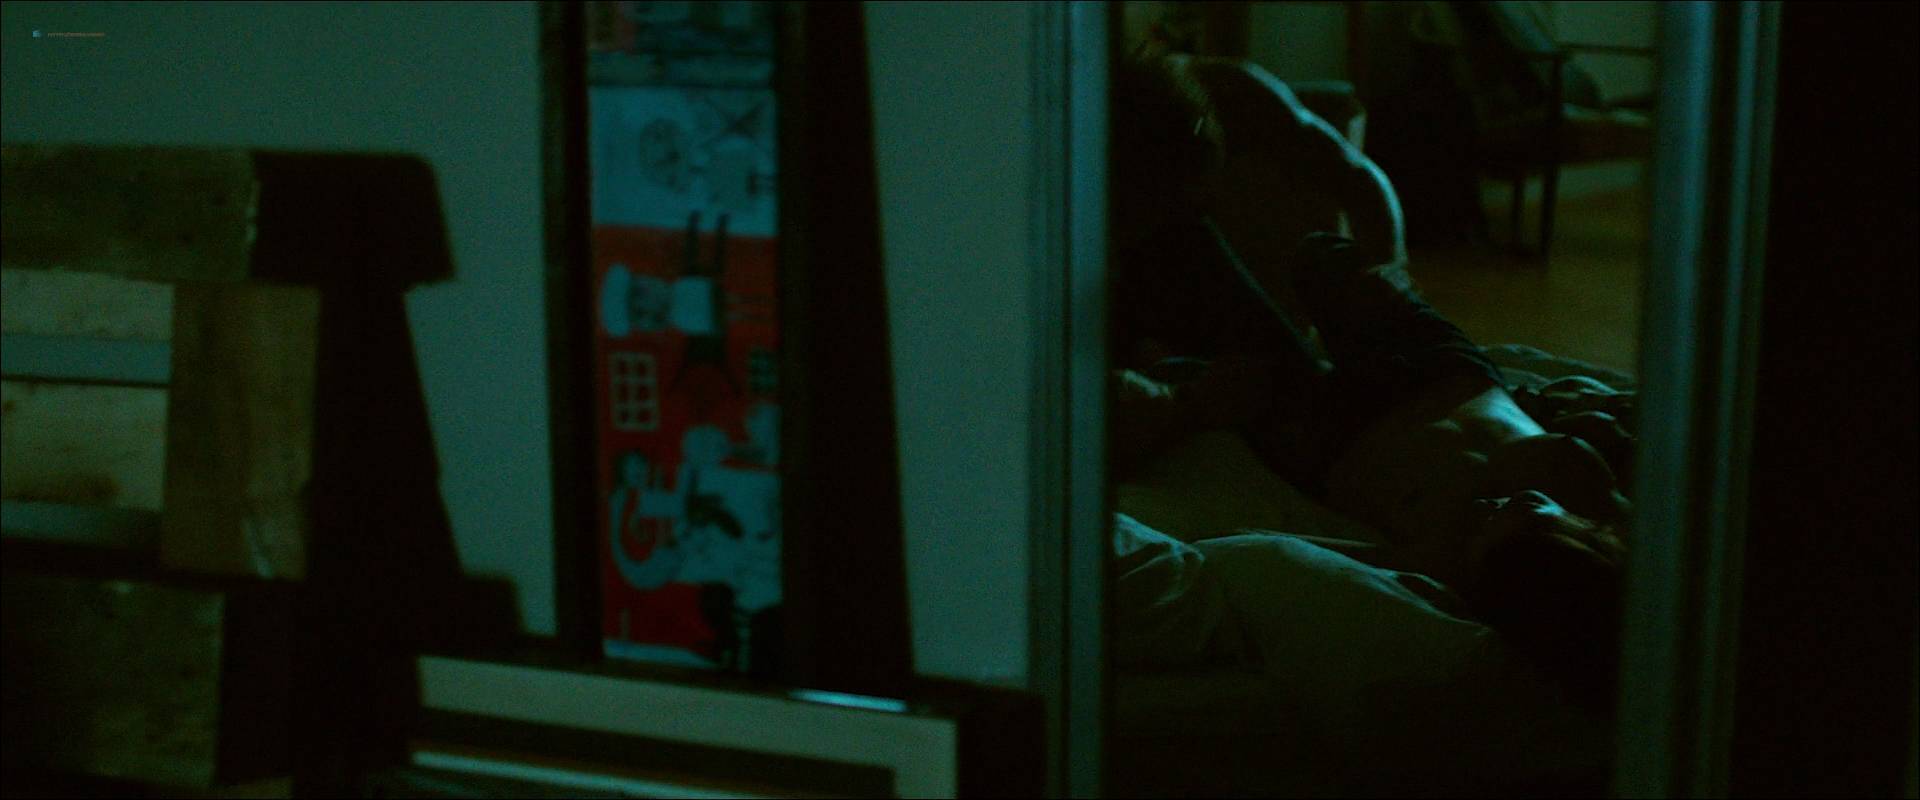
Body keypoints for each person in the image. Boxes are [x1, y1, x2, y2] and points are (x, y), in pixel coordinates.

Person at [1108, 50, 1630, 713]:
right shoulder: (1587, 483)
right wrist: (1391, 273)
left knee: (1204, 360)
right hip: (1442, 373)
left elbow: (1303, 562)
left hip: (1334, 429)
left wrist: (1187, 404)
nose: (1503, 505)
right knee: (1324, 261)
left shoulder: (1451, 566)